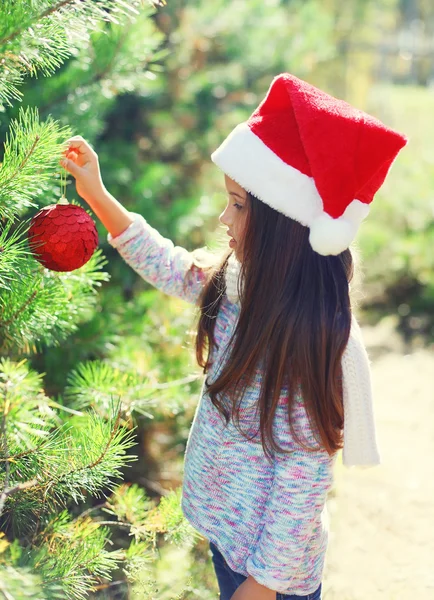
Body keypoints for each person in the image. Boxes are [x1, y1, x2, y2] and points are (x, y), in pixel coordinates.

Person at [61, 73, 407, 600]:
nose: (224, 218)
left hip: (272, 575)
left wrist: (263, 584)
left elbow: (303, 479)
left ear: (286, 225)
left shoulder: (306, 338)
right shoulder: (239, 283)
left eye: (239, 205)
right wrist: (99, 196)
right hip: (232, 544)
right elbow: (171, 265)